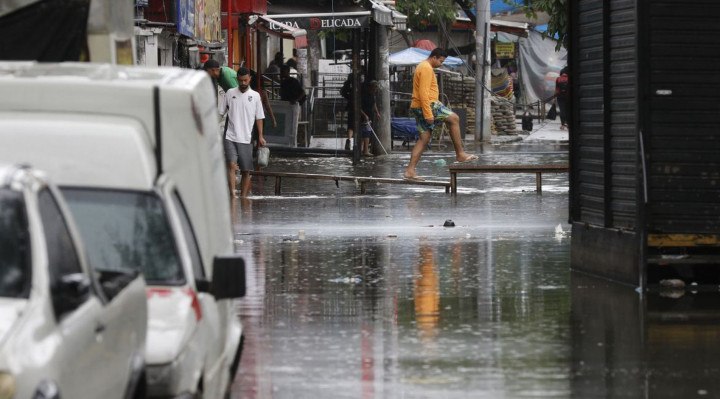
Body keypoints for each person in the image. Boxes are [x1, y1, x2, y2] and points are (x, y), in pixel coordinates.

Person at [404, 48, 477, 181]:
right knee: (454, 118)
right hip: (428, 105)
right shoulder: (426, 68)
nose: (441, 64)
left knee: (423, 139)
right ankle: (460, 154)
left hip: (417, 106)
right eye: (441, 61)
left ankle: (410, 170)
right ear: (434, 57)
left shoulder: (422, 66)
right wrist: (428, 114)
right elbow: (423, 93)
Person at [218, 67, 265, 198]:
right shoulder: (229, 93)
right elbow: (220, 113)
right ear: (237, 79)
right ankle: (232, 196)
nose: (243, 83)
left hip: (246, 138)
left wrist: (260, 136)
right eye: (240, 80)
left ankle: (244, 198)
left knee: (245, 170)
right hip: (230, 136)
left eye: (245, 80)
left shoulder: (255, 96)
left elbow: (259, 117)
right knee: (231, 165)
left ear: (250, 79)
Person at [279, 64, 306, 141]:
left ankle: (294, 140)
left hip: (294, 106)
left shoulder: (293, 81)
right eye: (281, 72)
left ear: (287, 72)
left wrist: (296, 100)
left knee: (293, 124)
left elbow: (303, 93)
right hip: (286, 106)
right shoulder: (283, 82)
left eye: (282, 71)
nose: (281, 73)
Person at [359, 80, 381, 156]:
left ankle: (362, 150)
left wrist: (377, 113)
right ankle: (365, 151)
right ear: (371, 87)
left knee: (366, 132)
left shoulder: (372, 95)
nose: (376, 90)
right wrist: (364, 115)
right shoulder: (364, 95)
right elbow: (359, 107)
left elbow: (374, 104)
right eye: (375, 88)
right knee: (366, 133)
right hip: (363, 117)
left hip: (369, 116)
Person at [340, 73, 355, 151]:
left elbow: (342, 92)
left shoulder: (348, 84)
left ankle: (349, 141)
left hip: (351, 106)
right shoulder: (352, 84)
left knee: (351, 125)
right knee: (353, 125)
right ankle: (350, 142)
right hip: (354, 106)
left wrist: (349, 97)